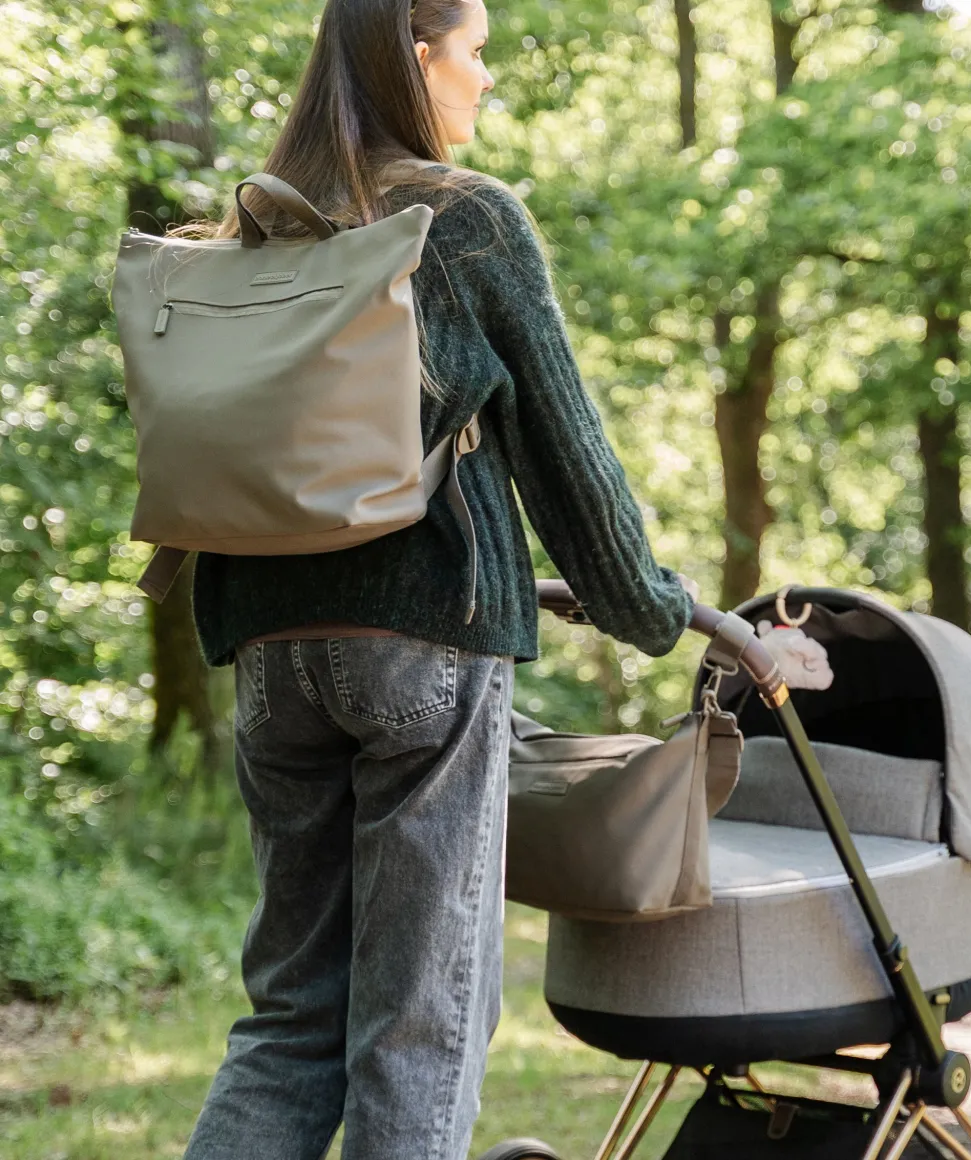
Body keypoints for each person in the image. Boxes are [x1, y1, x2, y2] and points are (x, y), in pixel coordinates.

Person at [183, 1, 694, 1158]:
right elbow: (570, 466)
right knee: (415, 1025)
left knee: (288, 1019)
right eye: (476, 52)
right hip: (423, 641)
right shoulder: (463, 220)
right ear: (421, 61)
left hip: (267, 652)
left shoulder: (259, 229)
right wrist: (656, 610)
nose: (487, 77)